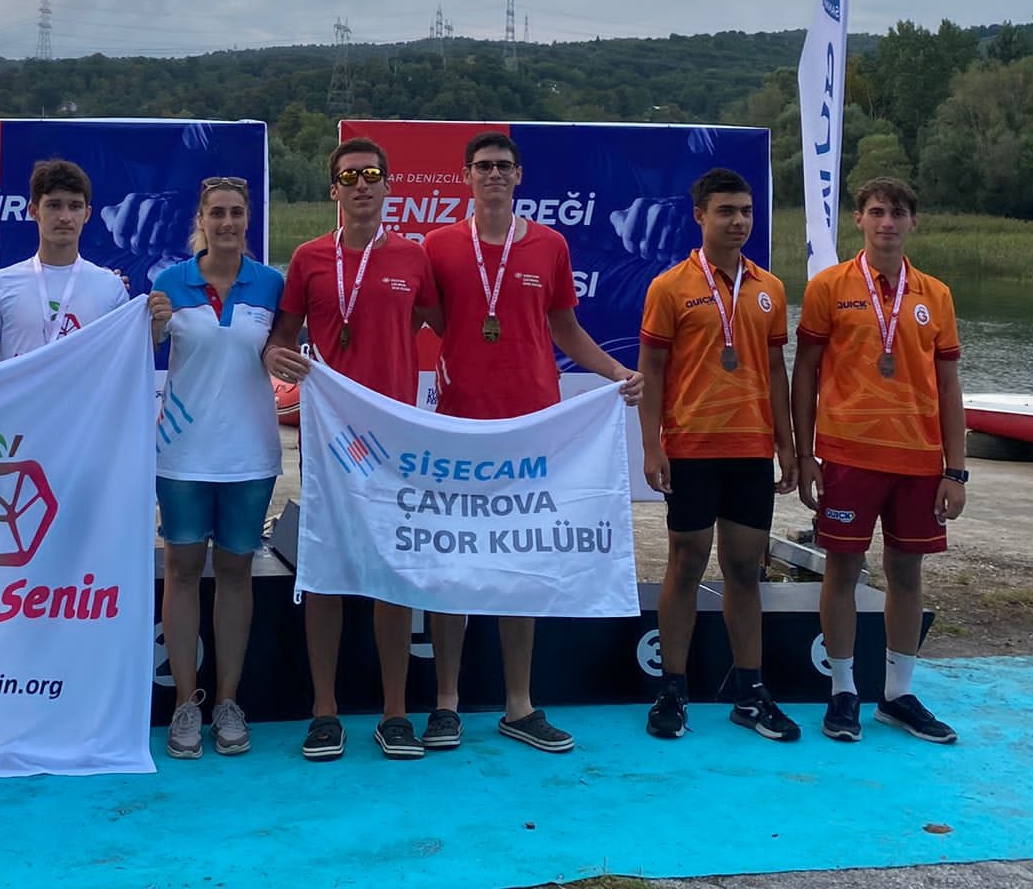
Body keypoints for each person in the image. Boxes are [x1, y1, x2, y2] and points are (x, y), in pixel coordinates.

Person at [419, 130, 642, 755]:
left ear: (519, 176)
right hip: (461, 426)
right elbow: (422, 318)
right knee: (453, 566)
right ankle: (446, 702)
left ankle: (519, 704)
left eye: (503, 166)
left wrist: (616, 372)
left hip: (532, 429)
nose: (493, 174)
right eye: (483, 166)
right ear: (466, 177)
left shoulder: (550, 245)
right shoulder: (438, 246)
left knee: (520, 563)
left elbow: (565, 328)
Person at [265, 136, 440, 762]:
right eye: (348, 176)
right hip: (331, 439)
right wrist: (278, 356)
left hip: (394, 440)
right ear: (333, 189)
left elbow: (441, 324)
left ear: (388, 184)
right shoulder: (309, 258)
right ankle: (324, 713)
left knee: (392, 571)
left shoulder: (415, 257)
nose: (361, 184)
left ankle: (395, 713)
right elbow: (281, 338)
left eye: (371, 174)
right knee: (326, 573)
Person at [792, 176, 965, 746]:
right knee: (842, 570)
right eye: (876, 212)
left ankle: (897, 694)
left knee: (907, 575)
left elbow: (949, 385)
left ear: (913, 222)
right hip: (848, 456)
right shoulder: (828, 286)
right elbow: (805, 373)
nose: (887, 222)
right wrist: (806, 454)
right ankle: (843, 690)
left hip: (919, 460)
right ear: (858, 220)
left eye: (897, 213)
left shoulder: (936, 294)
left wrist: (955, 469)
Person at [637, 167, 798, 744]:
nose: (738, 222)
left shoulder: (769, 287)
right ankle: (671, 690)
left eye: (746, 211)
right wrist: (651, 445)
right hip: (691, 445)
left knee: (744, 570)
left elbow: (775, 370)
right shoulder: (669, 287)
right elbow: (652, 371)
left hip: (750, 448)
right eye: (726, 211)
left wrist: (787, 443)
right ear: (699, 216)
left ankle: (750, 692)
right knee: (685, 564)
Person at [146, 177, 284, 760]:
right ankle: (185, 702)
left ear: (248, 220)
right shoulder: (169, 282)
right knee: (181, 572)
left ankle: (227, 702)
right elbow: (141, 351)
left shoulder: (271, 283)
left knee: (234, 575)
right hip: (182, 454)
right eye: (217, 213)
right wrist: (152, 327)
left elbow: (282, 347)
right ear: (201, 220)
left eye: (236, 213)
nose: (227, 223)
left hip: (250, 455)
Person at [0, 158, 128, 366]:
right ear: (34, 211)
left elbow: (125, 365)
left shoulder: (110, 286)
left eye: (75, 206)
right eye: (54, 205)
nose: (65, 217)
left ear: (87, 214)